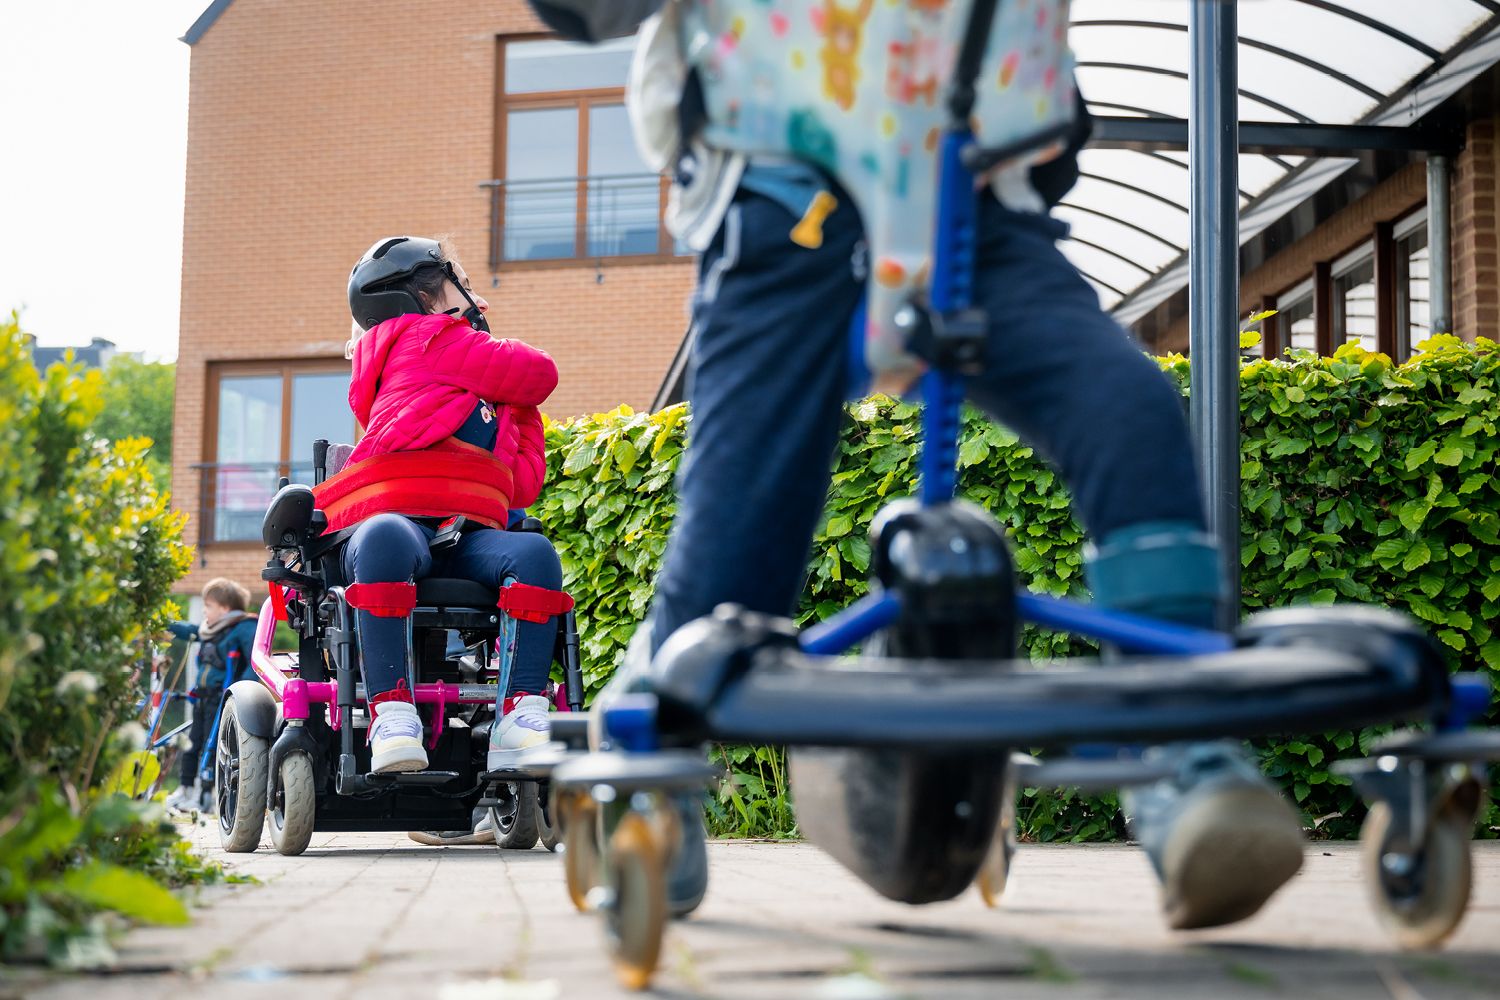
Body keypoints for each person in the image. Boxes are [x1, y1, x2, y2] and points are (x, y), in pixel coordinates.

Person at [527, 0, 1305, 931]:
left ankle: (1189, 757)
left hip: (972, 202)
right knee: (744, 517)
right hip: (782, 196)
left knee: (1126, 408)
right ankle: (656, 748)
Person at [341, 236, 563, 775]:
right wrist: (507, 376)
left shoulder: (465, 375)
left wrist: (516, 409)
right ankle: (391, 712)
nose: (471, 288)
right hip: (405, 525)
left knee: (535, 554)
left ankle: (519, 712)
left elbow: (521, 484)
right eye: (458, 277)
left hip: (462, 533)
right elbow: (540, 371)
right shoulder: (427, 339)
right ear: (429, 297)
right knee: (384, 536)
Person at [163, 578, 257, 813]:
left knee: (213, 745)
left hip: (222, 701)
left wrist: (240, 694)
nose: (204, 611)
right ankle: (185, 790)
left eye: (208, 606)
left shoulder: (243, 628)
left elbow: (254, 663)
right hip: (202, 699)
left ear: (224, 608)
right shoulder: (209, 630)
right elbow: (190, 631)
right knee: (192, 744)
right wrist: (163, 623)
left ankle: (209, 793)